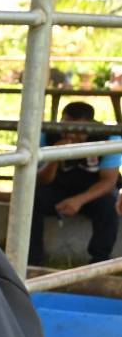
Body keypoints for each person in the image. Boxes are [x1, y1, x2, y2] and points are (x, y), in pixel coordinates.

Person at [29, 101, 122, 268]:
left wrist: (79, 200)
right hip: (58, 188)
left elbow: (109, 181)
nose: (70, 135)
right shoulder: (49, 134)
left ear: (90, 126)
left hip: (93, 193)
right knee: (30, 200)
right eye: (66, 127)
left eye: (78, 131)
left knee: (109, 204)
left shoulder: (108, 137)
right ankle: (32, 262)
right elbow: (40, 180)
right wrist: (54, 158)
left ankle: (99, 261)